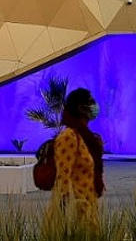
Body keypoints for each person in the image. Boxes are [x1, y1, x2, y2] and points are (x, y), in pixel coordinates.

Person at [45, 87, 105, 228]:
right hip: (74, 213)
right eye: (90, 102)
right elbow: (63, 175)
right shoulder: (69, 137)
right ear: (81, 108)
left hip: (87, 207)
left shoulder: (85, 137)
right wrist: (65, 211)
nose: (94, 106)